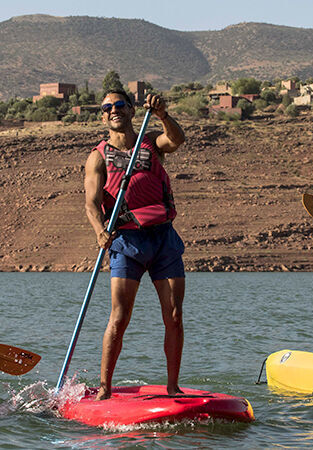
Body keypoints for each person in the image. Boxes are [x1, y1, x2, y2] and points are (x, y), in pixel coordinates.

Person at [84, 89, 187, 400]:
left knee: (173, 315)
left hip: (163, 239)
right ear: (102, 115)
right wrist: (100, 230)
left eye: (118, 105)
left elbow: (177, 141)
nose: (113, 110)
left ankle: (173, 387)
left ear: (130, 109)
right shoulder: (98, 156)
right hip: (126, 241)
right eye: (106, 107)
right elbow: (90, 203)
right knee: (120, 315)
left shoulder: (151, 140)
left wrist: (163, 115)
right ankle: (105, 388)